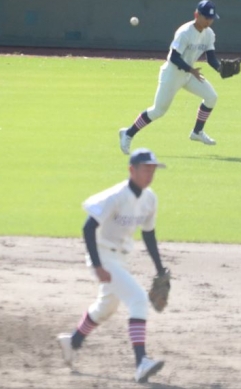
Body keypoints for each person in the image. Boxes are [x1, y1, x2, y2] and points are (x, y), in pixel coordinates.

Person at [57, 148, 168, 384]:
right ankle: (141, 362)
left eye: (153, 170)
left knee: (106, 307)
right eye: (146, 169)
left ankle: (73, 341)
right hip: (103, 255)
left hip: (121, 258)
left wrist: (159, 268)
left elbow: (148, 234)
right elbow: (88, 228)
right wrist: (97, 265)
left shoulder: (150, 199)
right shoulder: (116, 196)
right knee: (138, 298)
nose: (150, 174)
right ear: (131, 170)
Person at [119, 0, 223, 155]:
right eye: (207, 17)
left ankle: (197, 132)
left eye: (212, 18)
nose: (209, 21)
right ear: (197, 15)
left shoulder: (209, 34)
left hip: (189, 74)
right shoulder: (185, 32)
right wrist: (191, 70)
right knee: (158, 111)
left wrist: (221, 69)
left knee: (211, 97)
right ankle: (128, 133)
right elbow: (174, 57)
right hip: (172, 74)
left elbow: (211, 59)